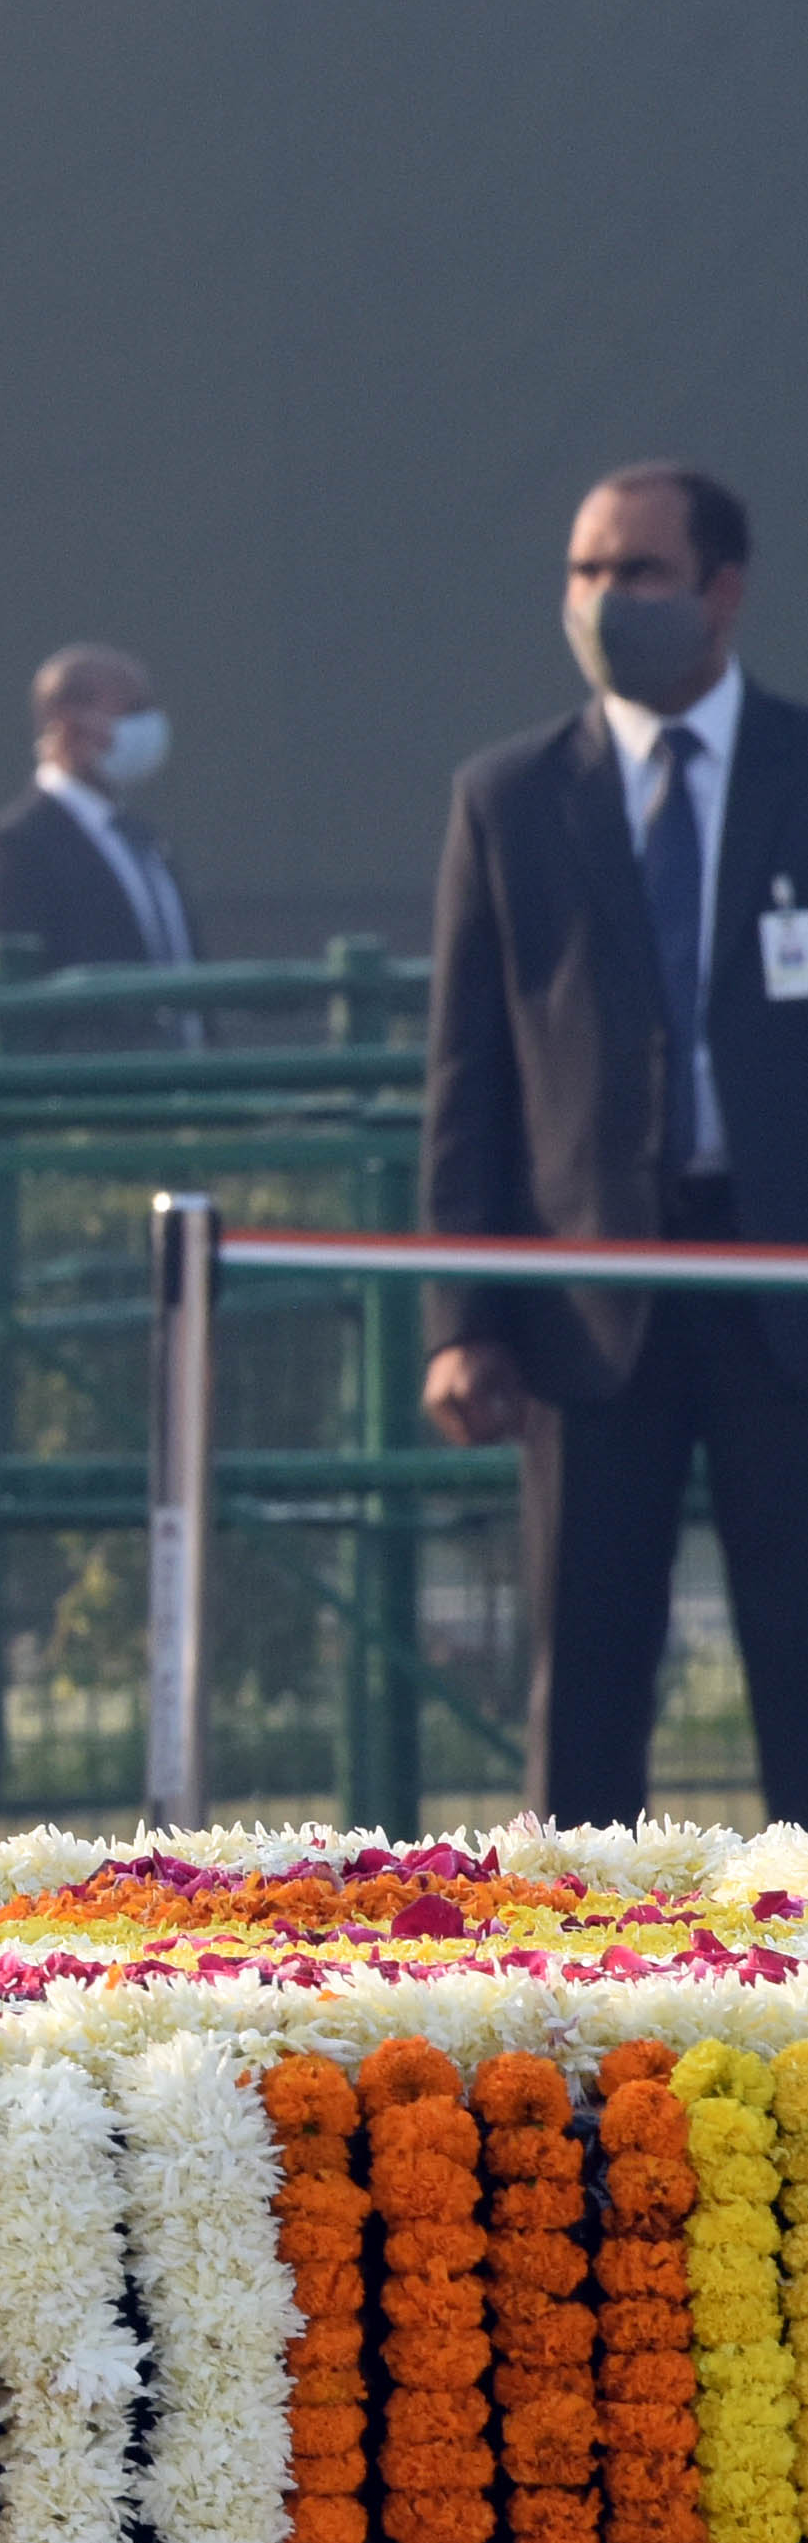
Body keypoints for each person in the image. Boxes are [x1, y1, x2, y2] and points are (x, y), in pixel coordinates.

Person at [424, 463, 808, 1819]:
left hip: (785, 1292)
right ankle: (578, 2010)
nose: (601, 600)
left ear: (722, 588)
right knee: (584, 1693)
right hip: (589, 1306)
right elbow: (465, 1082)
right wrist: (461, 1318)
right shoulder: (509, 797)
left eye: (636, 572)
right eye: (584, 572)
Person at [0, 642, 201, 977]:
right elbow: (18, 993)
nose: (148, 726)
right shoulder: (15, 848)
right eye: (131, 711)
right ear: (68, 722)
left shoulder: (147, 842)